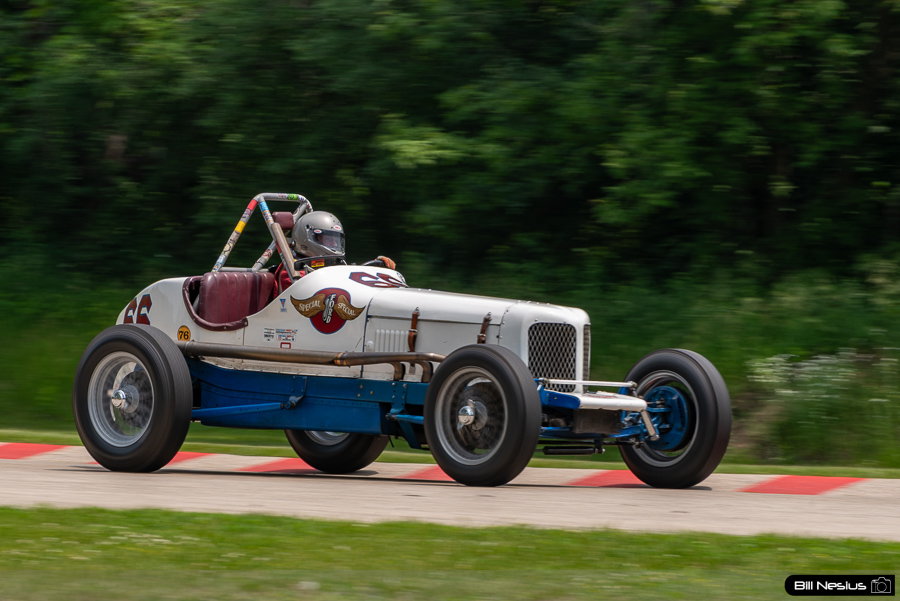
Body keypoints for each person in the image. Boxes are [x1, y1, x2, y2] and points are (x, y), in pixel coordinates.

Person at [273, 211, 395, 292]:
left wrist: (374, 271)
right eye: (329, 240)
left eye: (336, 240)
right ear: (308, 237)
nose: (335, 245)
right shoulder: (291, 272)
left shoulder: (330, 267)